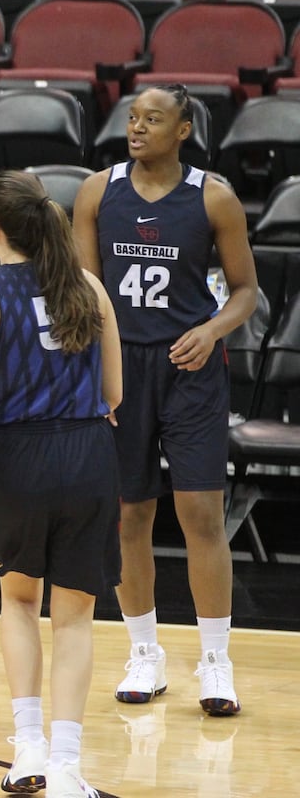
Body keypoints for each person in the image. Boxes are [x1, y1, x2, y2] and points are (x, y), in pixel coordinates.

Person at [72, 84, 257, 717]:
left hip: (191, 369)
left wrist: (210, 330)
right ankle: (144, 653)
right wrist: (95, 369)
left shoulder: (215, 197)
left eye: (153, 119)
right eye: (132, 118)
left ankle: (215, 662)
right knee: (130, 516)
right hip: (123, 368)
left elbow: (244, 292)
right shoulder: (97, 191)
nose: (137, 127)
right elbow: (85, 292)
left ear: (183, 130)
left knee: (201, 512)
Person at [0, 169, 123, 798]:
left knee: (19, 601)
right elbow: (115, 394)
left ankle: (29, 755)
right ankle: (70, 766)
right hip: (90, 454)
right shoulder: (91, 287)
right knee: (75, 619)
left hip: (19, 460)